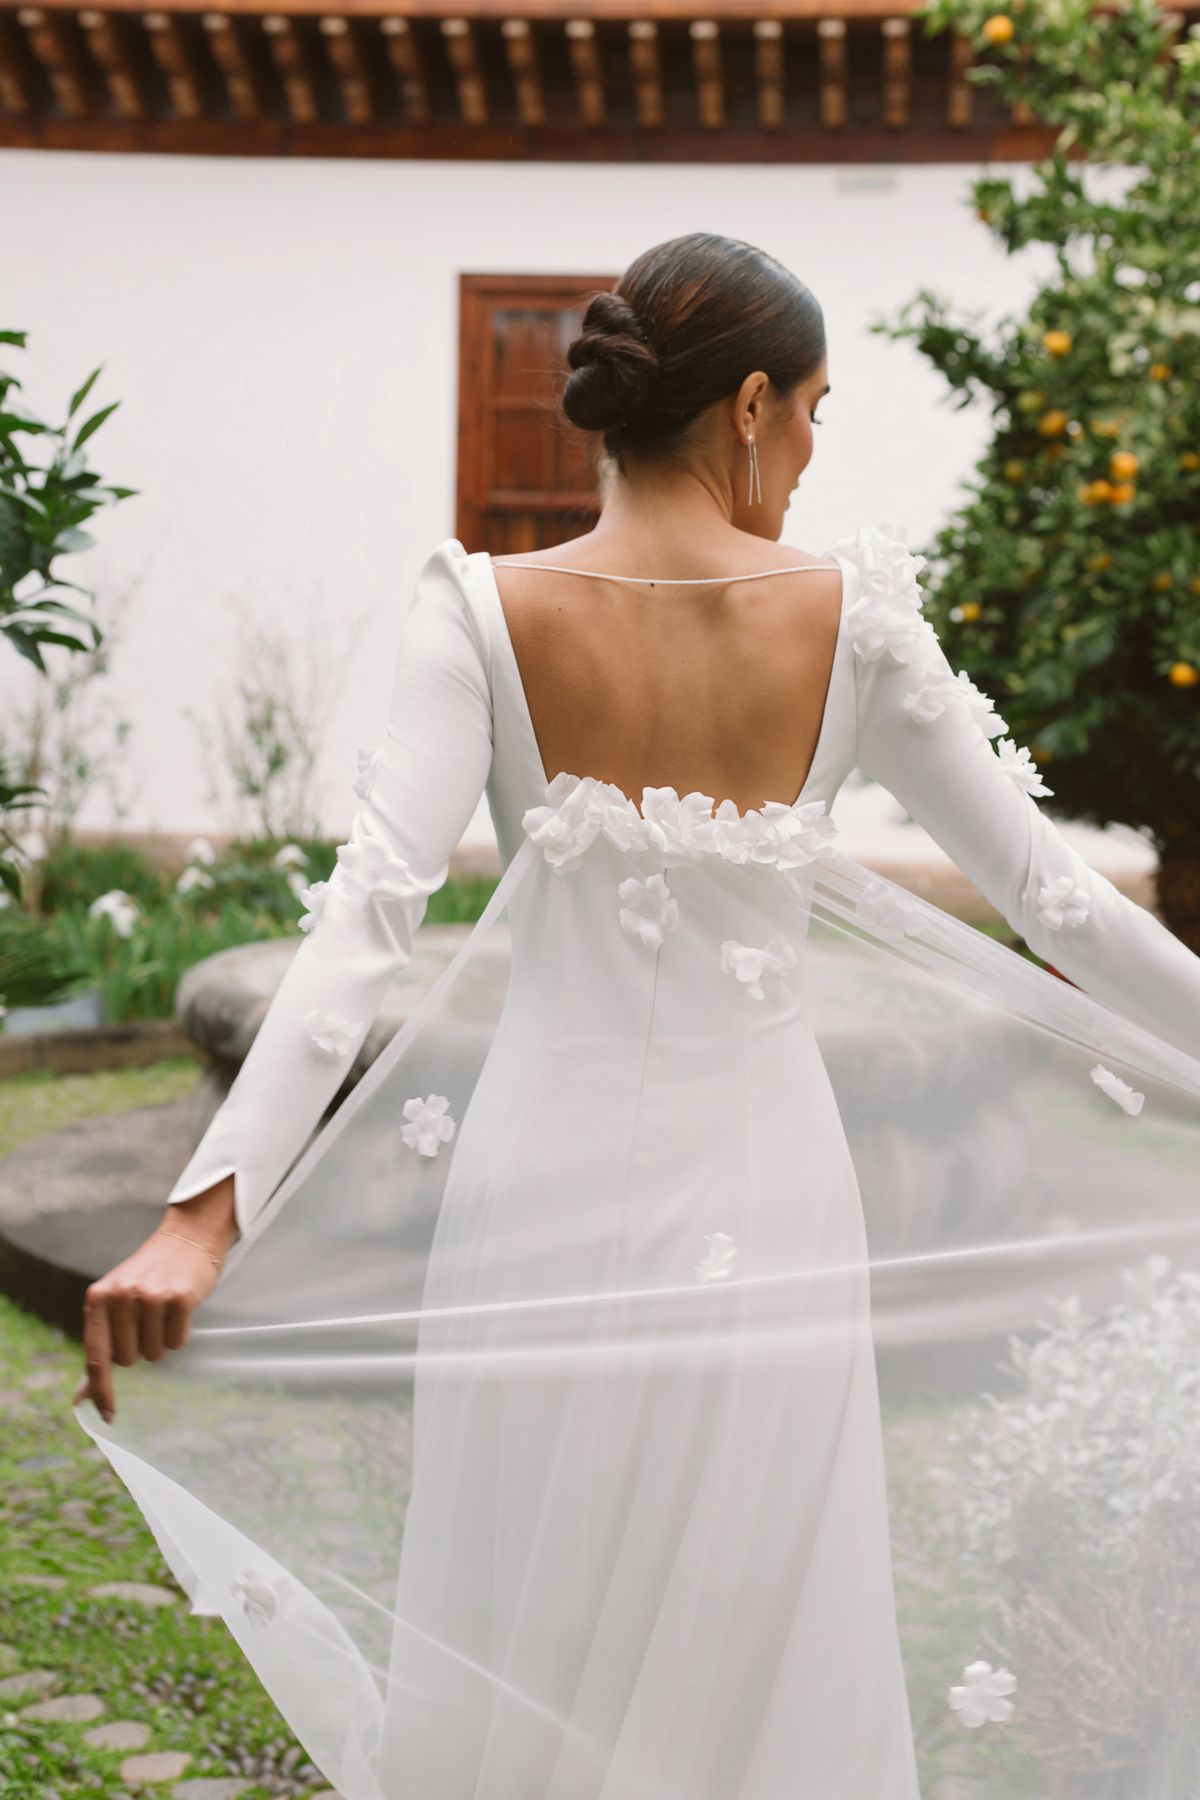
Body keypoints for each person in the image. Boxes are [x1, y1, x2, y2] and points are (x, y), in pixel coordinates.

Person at [72, 233, 1200, 1800]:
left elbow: (365, 925)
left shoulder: (475, 608)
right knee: (760, 1622)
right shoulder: (854, 619)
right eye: (812, 410)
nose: (810, 452)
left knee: (539, 1614)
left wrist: (208, 1211)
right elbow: (1062, 909)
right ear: (747, 406)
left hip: (540, 1192)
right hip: (768, 1195)